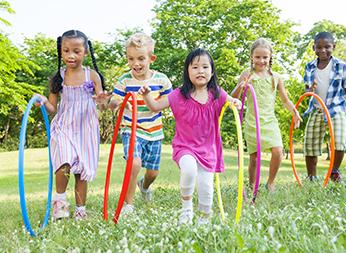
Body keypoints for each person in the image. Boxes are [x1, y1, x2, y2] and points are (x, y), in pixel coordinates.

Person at [139, 48, 241, 225]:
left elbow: (231, 101)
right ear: (187, 71)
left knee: (206, 186)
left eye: (205, 67)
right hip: (185, 147)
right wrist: (147, 96)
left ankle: (204, 218)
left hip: (208, 150)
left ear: (212, 71)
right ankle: (186, 210)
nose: (200, 71)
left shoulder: (217, 93)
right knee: (189, 170)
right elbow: (155, 106)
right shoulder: (179, 95)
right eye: (195, 67)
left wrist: (236, 102)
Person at [35, 30, 111, 220]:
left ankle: (80, 210)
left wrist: (102, 100)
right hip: (64, 126)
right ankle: (60, 206)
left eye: (76, 51)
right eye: (66, 50)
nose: (71, 55)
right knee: (63, 163)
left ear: (85, 52)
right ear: (61, 52)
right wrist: (44, 101)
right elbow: (53, 108)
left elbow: (102, 106)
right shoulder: (57, 78)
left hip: (86, 128)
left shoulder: (92, 76)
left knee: (81, 172)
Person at [108, 33, 173, 215]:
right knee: (134, 164)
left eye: (141, 58)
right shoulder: (125, 81)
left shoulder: (162, 80)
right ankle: (128, 205)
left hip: (154, 131)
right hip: (131, 128)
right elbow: (113, 102)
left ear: (151, 58)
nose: (136, 63)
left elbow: (170, 100)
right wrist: (119, 102)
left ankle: (144, 186)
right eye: (131, 59)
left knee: (152, 173)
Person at [231, 38, 301, 192]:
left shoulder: (276, 77)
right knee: (254, 158)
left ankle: (270, 182)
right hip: (252, 121)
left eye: (265, 57)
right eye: (257, 57)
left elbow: (285, 100)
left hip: (270, 121)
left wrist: (295, 112)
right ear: (251, 57)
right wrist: (240, 86)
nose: (261, 60)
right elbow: (234, 98)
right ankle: (251, 187)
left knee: (278, 151)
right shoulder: (247, 74)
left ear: (270, 58)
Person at [303, 32, 346, 182]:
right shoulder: (309, 67)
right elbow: (307, 91)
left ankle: (334, 171)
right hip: (317, 109)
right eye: (319, 47)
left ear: (334, 47)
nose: (323, 50)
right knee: (310, 144)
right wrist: (309, 90)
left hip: (336, 109)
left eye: (327, 47)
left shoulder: (340, 66)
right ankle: (311, 177)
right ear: (314, 48)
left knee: (339, 141)